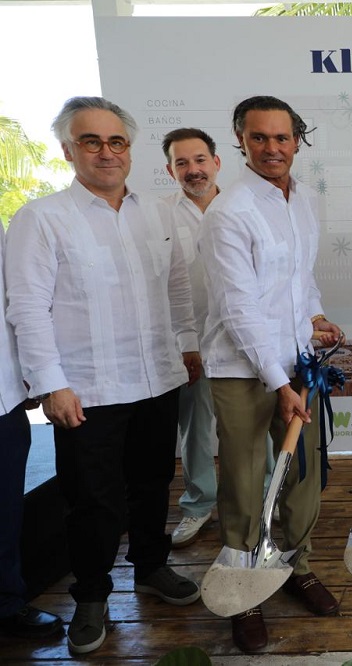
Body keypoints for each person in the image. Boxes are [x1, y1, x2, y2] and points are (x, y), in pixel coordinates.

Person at [5, 96, 202, 655]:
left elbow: (177, 287)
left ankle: (151, 568)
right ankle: (91, 596)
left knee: (153, 485)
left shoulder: (158, 213)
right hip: (86, 389)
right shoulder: (41, 218)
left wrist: (187, 345)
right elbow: (27, 308)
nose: (106, 152)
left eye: (116, 141)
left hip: (158, 376)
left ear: (130, 149)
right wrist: (51, 383)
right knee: (92, 501)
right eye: (91, 141)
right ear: (69, 150)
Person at [199, 96, 342, 652]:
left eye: (282, 137)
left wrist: (316, 318)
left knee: (303, 473)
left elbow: (300, 280)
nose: (272, 148)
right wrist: (278, 383)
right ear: (241, 140)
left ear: (297, 140)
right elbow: (239, 308)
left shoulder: (302, 199)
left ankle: (297, 566)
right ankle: (245, 591)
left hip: (298, 362)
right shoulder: (229, 211)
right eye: (259, 138)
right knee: (243, 480)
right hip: (243, 370)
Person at [0, 226, 63, 642]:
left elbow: (15, 302)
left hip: (3, 397)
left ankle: (6, 604)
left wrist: (28, 373)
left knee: (5, 509)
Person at [159, 127, 221, 548]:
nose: (193, 170)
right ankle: (199, 504)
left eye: (199, 160)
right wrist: (186, 344)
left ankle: (261, 499)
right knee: (196, 429)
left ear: (216, 162)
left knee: (254, 429)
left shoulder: (242, 205)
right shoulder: (160, 214)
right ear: (170, 170)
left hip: (242, 340)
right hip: (191, 343)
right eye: (182, 163)